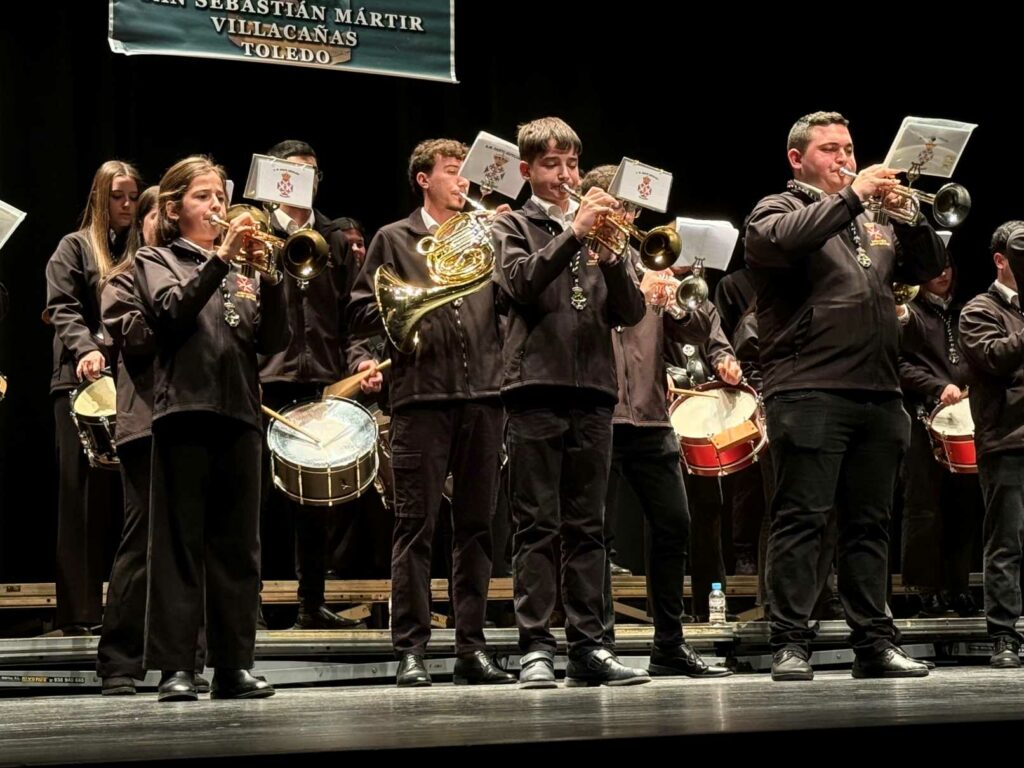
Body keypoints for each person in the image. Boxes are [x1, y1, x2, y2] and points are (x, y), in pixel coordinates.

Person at [745, 111, 945, 681]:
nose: (844, 158)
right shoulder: (775, 209)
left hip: (879, 391)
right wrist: (854, 196)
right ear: (797, 159)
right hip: (808, 387)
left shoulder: (873, 219)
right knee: (801, 520)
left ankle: (874, 644)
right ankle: (790, 641)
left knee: (870, 525)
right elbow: (782, 242)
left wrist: (910, 219)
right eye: (830, 149)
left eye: (849, 148)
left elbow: (931, 269)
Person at [348, 138, 513, 687]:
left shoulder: (485, 235)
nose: (462, 181)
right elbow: (361, 311)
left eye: (465, 173)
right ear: (424, 179)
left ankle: (472, 647)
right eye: (451, 171)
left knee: (477, 528)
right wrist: (369, 356)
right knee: (415, 526)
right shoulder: (394, 238)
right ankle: (412, 649)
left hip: (483, 397)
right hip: (419, 397)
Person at [492, 117, 649, 688]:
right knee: (536, 525)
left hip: (595, 391)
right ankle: (536, 647)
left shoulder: (601, 229)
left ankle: (590, 648)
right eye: (552, 164)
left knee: (589, 527)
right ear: (527, 170)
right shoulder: (511, 223)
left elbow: (630, 312)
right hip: (534, 387)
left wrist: (612, 257)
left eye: (572, 164)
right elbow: (519, 284)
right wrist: (573, 235)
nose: (566, 175)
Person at [135, 155, 288, 701]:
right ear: (174, 209)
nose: (217, 206)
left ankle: (233, 666)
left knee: (238, 549)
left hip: (241, 413)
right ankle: (176, 667)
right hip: (185, 411)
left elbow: (273, 340)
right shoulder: (157, 258)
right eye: (203, 197)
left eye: (220, 197)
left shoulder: (246, 270)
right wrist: (221, 259)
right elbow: (171, 312)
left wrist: (275, 277)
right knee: (178, 546)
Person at [580, 166, 731, 679]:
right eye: (620, 207)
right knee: (593, 535)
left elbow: (693, 335)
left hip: (649, 416)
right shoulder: (583, 260)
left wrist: (677, 305)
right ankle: (598, 645)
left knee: (674, 525)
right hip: (599, 412)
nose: (628, 217)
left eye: (633, 209)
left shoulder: (652, 260)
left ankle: (669, 643)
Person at [257, 139, 378, 630]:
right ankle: (250, 607)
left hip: (323, 383)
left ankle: (311, 604)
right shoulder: (256, 233)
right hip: (265, 381)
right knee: (257, 501)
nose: (303, 183)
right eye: (293, 174)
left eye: (312, 174)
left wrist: (359, 362)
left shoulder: (336, 238)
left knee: (315, 500)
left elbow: (355, 315)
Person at [96, 186, 208, 694]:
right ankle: (120, 661)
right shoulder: (123, 280)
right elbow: (139, 339)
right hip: (146, 423)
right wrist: (182, 313)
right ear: (144, 223)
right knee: (142, 542)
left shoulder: (197, 275)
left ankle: (186, 659)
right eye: (154, 216)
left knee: (190, 544)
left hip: (192, 418)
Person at [44, 160, 142, 636]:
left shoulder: (145, 250)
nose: (126, 205)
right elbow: (61, 306)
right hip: (80, 384)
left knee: (134, 502)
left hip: (133, 385)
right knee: (82, 499)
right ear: (100, 199)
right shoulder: (74, 247)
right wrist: (85, 348)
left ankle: (132, 611)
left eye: (133, 197)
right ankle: (80, 613)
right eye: (118, 197)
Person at [899, 256, 981, 618]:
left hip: (964, 419)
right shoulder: (909, 314)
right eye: (934, 268)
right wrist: (937, 386)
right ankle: (924, 590)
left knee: (964, 505)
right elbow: (897, 363)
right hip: (921, 417)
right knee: (924, 506)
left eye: (947, 266)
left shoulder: (966, 312)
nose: (942, 273)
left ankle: (958, 587)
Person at [959, 221, 1024, 667]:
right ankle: (1004, 635)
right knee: (1007, 543)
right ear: (1001, 260)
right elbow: (994, 357)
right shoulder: (978, 310)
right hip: (1007, 440)